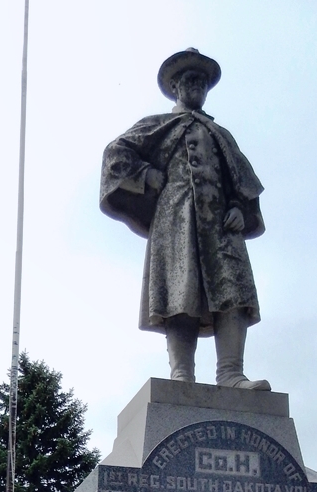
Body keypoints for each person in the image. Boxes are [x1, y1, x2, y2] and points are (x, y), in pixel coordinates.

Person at [100, 48, 271, 390]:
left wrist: (239, 207)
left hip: (221, 225)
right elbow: (115, 154)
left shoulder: (220, 133)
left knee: (233, 291)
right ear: (176, 86)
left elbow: (240, 178)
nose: (197, 87)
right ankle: (182, 374)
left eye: (202, 82)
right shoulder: (157, 126)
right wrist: (146, 174)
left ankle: (231, 373)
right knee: (180, 292)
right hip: (176, 220)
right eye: (190, 80)